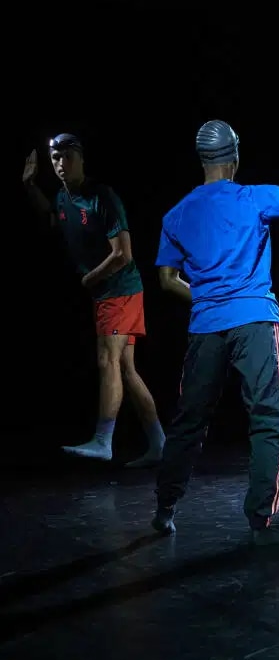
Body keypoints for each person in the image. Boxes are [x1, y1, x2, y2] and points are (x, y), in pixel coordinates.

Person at [151, 105, 279, 544]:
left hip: (206, 327)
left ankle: (164, 507)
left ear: (202, 159)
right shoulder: (251, 198)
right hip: (256, 323)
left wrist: (207, 297)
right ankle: (260, 522)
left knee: (189, 421)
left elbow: (166, 280)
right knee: (268, 419)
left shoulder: (176, 214)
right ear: (235, 156)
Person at [22, 134, 165, 467]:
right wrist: (29, 185)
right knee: (127, 370)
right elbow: (53, 219)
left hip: (120, 290)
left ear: (82, 159)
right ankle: (160, 442)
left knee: (107, 360)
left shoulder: (102, 197)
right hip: (107, 295)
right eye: (55, 158)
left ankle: (103, 441)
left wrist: (90, 278)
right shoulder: (62, 197)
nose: (61, 163)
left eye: (67, 156)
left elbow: (123, 255)